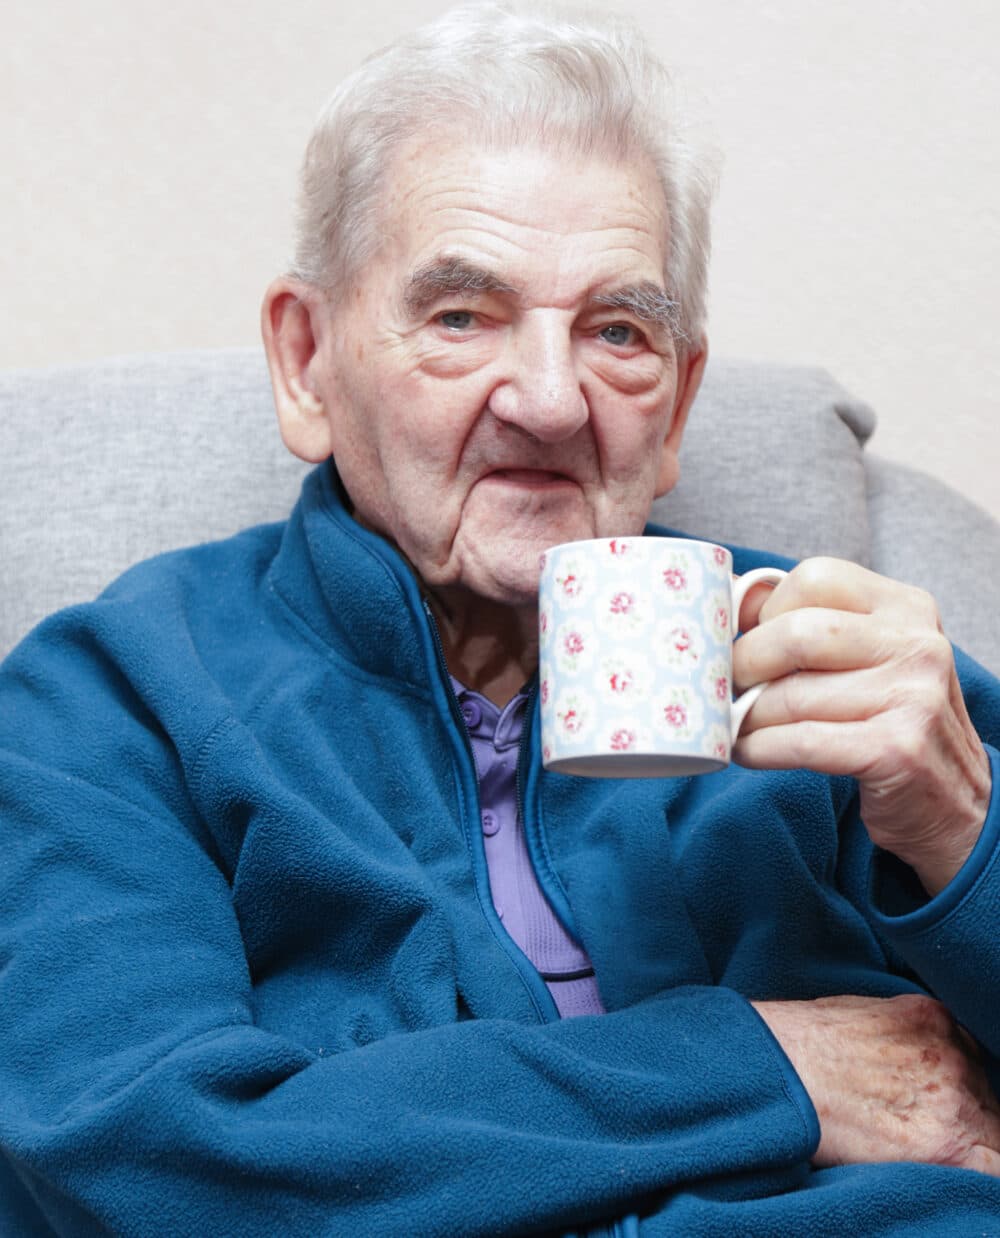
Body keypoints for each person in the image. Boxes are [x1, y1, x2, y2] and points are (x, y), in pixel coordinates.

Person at [1, 2, 999, 1233]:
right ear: (307, 361)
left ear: (677, 403)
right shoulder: (114, 698)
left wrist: (964, 830)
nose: (546, 396)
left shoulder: (835, 658)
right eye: (462, 315)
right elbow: (141, 1161)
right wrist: (764, 1072)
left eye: (617, 330)